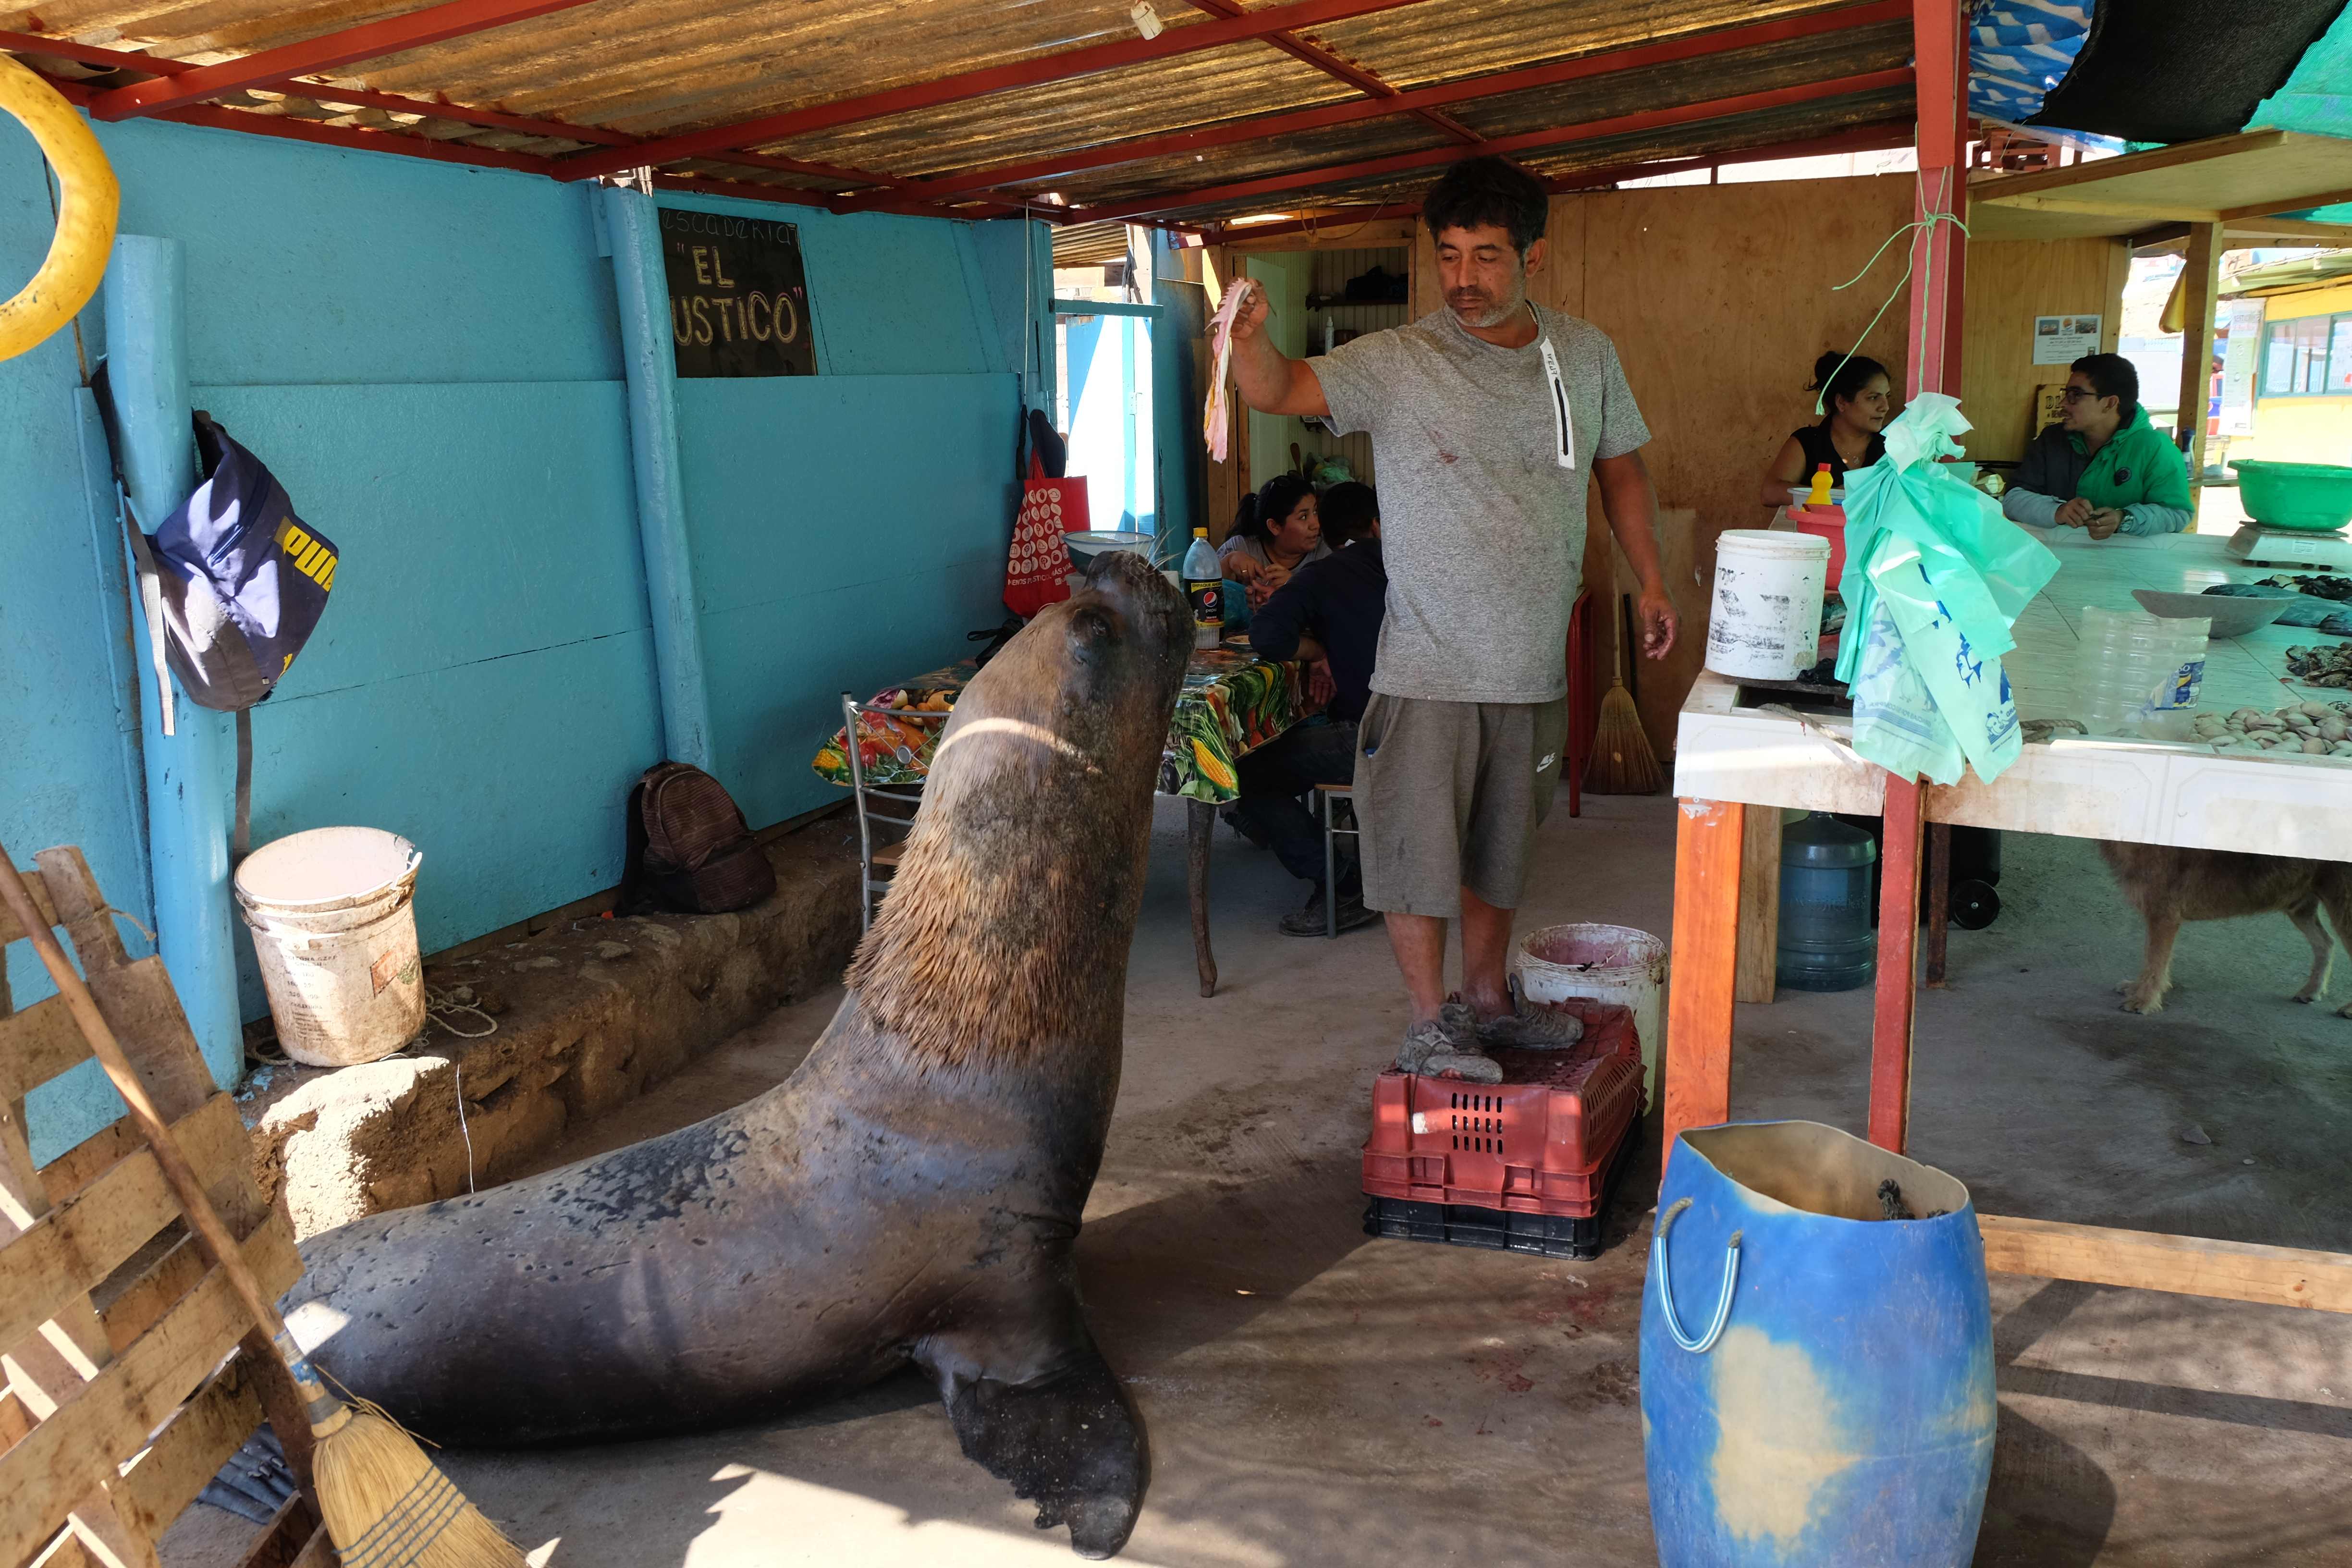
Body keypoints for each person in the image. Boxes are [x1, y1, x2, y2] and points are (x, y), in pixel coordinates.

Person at [1225, 155, 1679, 1084]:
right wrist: (1247, 337)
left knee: (1501, 851)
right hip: (1428, 669)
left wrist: (1651, 579)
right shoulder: (1399, 360)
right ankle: (1429, 1022)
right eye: (1449, 255)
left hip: (1530, 666)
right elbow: (1277, 389)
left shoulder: (1584, 353)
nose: (1463, 278)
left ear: (1534, 256)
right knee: (1414, 852)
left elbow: (1621, 470)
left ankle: (1486, 1000)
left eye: (1487, 256)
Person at [1239, 482, 1387, 936]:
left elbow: (1266, 636)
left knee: (1247, 772)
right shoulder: (1418, 565)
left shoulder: (1322, 574)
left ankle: (1344, 885)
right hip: (1450, 728)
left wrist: (1317, 649)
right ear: (1378, 525)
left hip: (1372, 738)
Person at [2003, 352, 2193, 540]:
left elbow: (2177, 514)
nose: (2063, 403)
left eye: (2076, 395)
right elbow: (2013, 499)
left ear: (2110, 404)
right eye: (2066, 393)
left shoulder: (2155, 448)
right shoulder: (2052, 439)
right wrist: (2057, 510)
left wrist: (2125, 519)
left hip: (2127, 557)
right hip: (2054, 553)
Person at [1760, 352, 1889, 509]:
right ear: (1842, 402)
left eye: (1887, 396)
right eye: (1873, 398)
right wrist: (1830, 495)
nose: (1885, 407)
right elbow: (1770, 493)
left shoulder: (1893, 445)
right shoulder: (1808, 442)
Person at [1220, 473, 1329, 613]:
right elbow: (1200, 593)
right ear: (1275, 526)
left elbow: (1338, 607)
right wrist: (1228, 562)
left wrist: (1295, 589)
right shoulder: (1241, 548)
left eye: (1315, 512)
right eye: (1303, 517)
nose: (1316, 525)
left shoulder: (1325, 554)